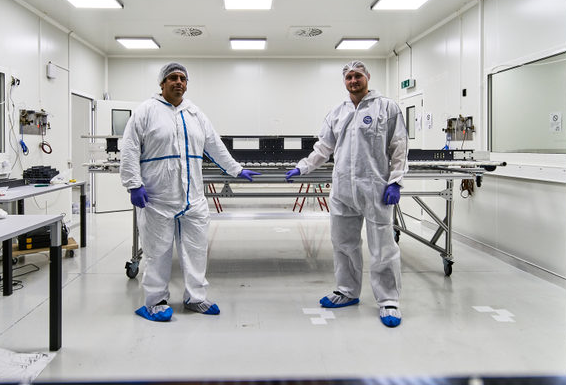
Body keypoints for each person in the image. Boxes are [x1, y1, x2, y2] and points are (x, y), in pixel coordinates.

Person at [119, 62, 260, 322]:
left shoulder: (195, 113)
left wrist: (236, 169)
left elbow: (214, 145)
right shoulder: (145, 111)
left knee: (196, 250)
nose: (178, 82)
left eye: (183, 79)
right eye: (173, 78)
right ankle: (154, 302)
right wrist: (133, 184)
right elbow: (129, 149)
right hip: (157, 198)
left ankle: (195, 298)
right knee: (157, 251)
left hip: (193, 198)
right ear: (162, 83)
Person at [285, 60, 408, 327]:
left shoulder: (387, 108)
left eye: (358, 76)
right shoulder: (337, 112)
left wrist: (396, 181)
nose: (353, 81)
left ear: (367, 77)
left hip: (375, 188)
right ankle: (347, 291)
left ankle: (388, 300)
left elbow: (399, 146)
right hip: (342, 188)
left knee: (383, 247)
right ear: (344, 81)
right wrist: (303, 167)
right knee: (343, 243)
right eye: (349, 77)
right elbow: (323, 148)